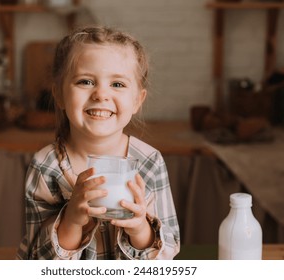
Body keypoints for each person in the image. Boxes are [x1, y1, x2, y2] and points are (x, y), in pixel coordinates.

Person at [17, 26, 180, 260]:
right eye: (85, 81)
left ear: (137, 101)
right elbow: (39, 261)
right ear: (60, 95)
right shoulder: (46, 166)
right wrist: (72, 220)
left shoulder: (149, 162)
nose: (101, 95)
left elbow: (168, 253)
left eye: (117, 84)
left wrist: (140, 228)